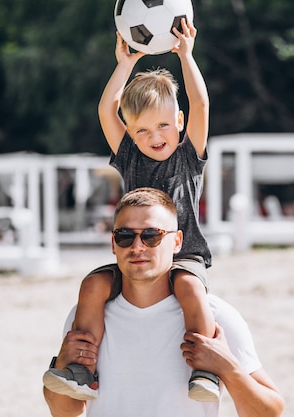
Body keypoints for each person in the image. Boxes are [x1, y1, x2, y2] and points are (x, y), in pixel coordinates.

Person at [43, 18, 218, 402]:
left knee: (189, 286)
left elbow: (201, 102)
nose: (153, 137)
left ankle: (205, 370)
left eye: (162, 127)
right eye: (141, 131)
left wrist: (186, 57)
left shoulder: (189, 156)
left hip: (183, 254)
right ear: (131, 133)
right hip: (134, 252)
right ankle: (81, 370)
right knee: (93, 285)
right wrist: (124, 62)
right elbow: (107, 111)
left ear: (180, 122)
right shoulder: (129, 158)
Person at [43, 188, 285, 417]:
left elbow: (270, 411)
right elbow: (66, 412)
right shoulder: (87, 314)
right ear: (113, 244)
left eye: (151, 236)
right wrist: (63, 363)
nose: (137, 247)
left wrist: (229, 368)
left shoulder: (216, 316)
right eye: (125, 236)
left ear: (177, 242)